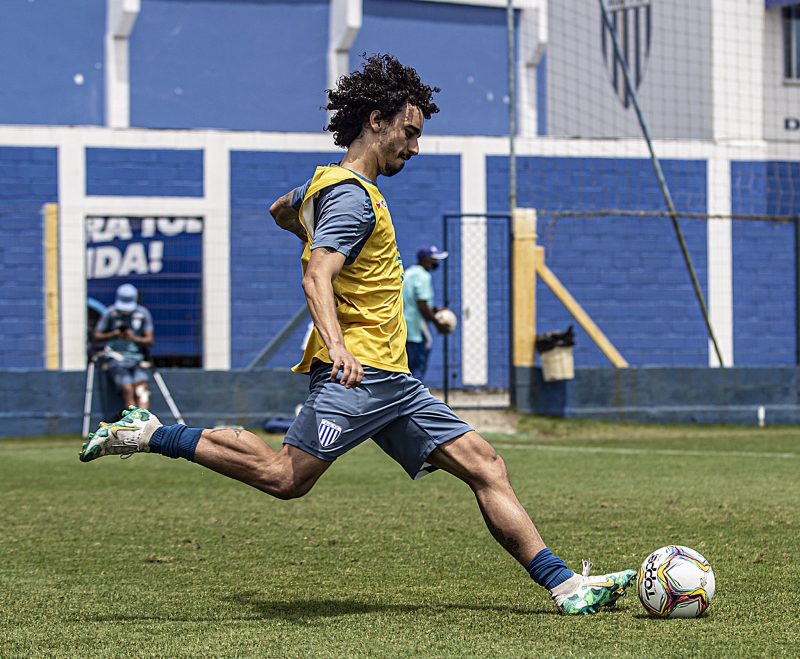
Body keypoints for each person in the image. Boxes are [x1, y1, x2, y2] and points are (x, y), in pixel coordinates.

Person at [79, 54, 634, 615]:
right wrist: (339, 345)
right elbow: (316, 274)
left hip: (394, 381)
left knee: (486, 465)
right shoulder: (351, 196)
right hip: (361, 373)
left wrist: (307, 206)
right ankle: (150, 434)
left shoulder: (330, 188)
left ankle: (567, 589)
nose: (415, 148)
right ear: (376, 119)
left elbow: (279, 209)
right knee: (284, 477)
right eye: (410, 133)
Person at [92, 283, 154, 409]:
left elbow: (149, 341)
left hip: (137, 360)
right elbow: (96, 336)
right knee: (128, 388)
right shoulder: (110, 313)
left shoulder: (142, 314)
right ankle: (132, 422)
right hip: (116, 359)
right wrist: (113, 335)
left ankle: (144, 421)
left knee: (142, 389)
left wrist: (133, 338)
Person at [403, 244, 450, 381]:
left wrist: (434, 309)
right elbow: (422, 305)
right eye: (433, 259)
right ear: (424, 260)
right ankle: (414, 399)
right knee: (417, 369)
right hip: (416, 328)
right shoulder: (423, 276)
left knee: (406, 368)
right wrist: (438, 324)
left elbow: (412, 300)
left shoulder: (409, 272)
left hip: (404, 326)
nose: (435, 263)